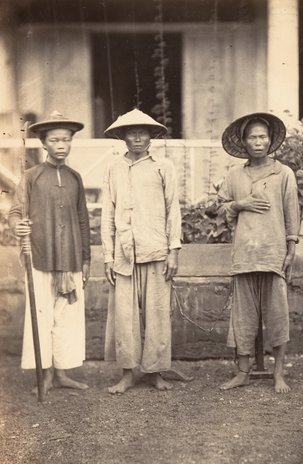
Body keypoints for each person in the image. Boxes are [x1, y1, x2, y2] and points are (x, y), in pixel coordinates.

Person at [8, 111, 91, 395]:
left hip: (70, 259)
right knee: (42, 317)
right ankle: (45, 375)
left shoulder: (75, 178)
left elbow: (82, 220)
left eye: (66, 140)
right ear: (44, 143)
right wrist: (18, 226)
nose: (61, 145)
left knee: (67, 318)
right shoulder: (31, 177)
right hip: (40, 257)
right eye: (54, 140)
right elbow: (16, 212)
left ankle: (63, 373)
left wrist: (86, 258)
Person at [217, 112, 299, 392]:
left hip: (273, 254)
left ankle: (278, 374)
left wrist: (291, 249)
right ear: (244, 141)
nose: (258, 141)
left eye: (263, 136)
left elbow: (292, 214)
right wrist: (241, 204)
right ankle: (242, 372)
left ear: (271, 139)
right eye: (252, 136)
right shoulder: (234, 175)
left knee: (277, 315)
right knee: (243, 317)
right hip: (244, 256)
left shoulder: (283, 173)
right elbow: (218, 208)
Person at [101, 109, 181, 393]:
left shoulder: (164, 167)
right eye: (131, 132)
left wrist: (174, 249)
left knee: (158, 313)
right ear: (122, 136)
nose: (137, 137)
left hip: (156, 249)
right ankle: (127, 373)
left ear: (151, 136)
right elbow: (108, 212)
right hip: (124, 253)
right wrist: (108, 256)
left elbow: (174, 209)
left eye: (143, 132)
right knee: (125, 316)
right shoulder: (114, 168)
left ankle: (156, 372)